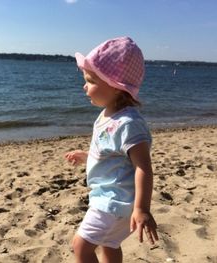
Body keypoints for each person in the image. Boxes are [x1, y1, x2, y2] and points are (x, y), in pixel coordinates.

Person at [65, 37, 159, 263]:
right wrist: (89, 157)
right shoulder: (109, 114)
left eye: (90, 80)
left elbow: (143, 167)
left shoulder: (128, 123)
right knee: (109, 245)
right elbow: (116, 155)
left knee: (80, 247)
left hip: (115, 202)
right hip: (109, 199)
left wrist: (142, 209)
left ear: (116, 88)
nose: (84, 86)